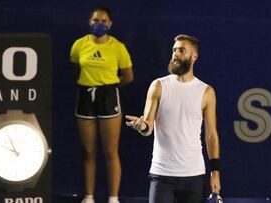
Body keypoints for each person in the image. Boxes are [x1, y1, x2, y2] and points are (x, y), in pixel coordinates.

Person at [125, 34, 221, 203]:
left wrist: (215, 172)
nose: (175, 54)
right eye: (174, 50)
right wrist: (141, 127)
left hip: (194, 175)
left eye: (181, 50)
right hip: (162, 174)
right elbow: (147, 126)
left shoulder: (206, 92)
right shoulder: (158, 86)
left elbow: (211, 135)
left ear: (194, 56)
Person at [70, 6, 134, 203]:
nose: (100, 24)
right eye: (96, 20)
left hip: (108, 97)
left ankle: (113, 198)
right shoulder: (79, 45)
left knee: (110, 151)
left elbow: (128, 77)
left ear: (110, 24)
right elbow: (75, 69)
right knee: (88, 151)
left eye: (104, 21)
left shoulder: (118, 47)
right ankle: (89, 196)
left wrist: (109, 86)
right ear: (90, 21)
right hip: (85, 97)